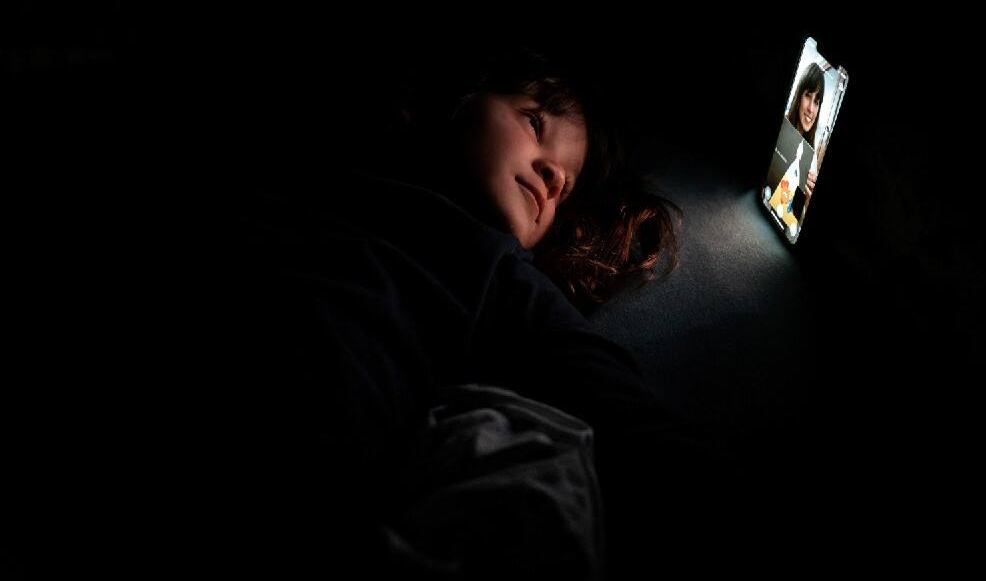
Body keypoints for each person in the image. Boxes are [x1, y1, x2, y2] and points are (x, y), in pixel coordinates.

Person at [181, 46, 754, 580]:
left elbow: (617, 401)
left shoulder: (490, 264)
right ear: (461, 97)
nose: (553, 178)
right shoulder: (318, 147)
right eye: (535, 124)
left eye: (566, 186)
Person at [785, 62, 825, 219]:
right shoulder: (782, 129)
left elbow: (798, 219)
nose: (811, 109)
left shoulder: (812, 159)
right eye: (808, 95)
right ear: (799, 94)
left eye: (816, 101)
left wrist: (808, 203)